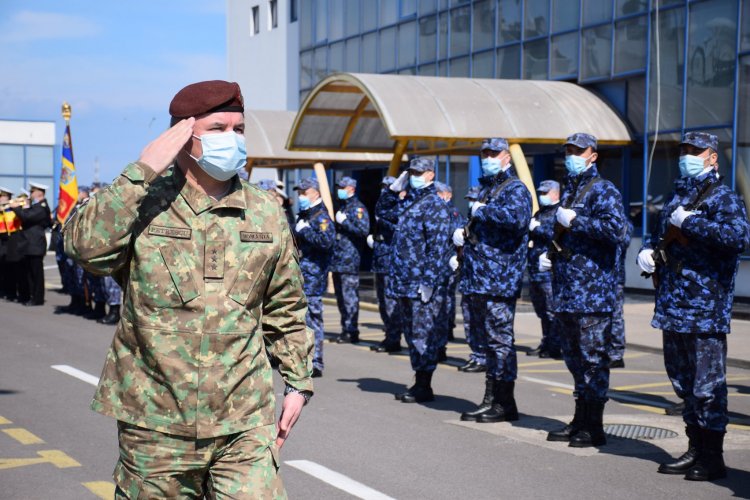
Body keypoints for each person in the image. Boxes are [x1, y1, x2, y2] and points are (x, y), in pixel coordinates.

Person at [64, 80, 313, 498]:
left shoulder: (265, 212)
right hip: (156, 421)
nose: (232, 140)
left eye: (238, 130)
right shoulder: (141, 202)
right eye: (218, 129)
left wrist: (298, 382)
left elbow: (284, 303)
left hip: (243, 418)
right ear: (182, 134)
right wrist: (142, 171)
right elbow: (84, 248)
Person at [637, 132, 749, 481]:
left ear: (713, 157)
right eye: (684, 151)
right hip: (673, 304)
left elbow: (738, 237)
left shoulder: (723, 197)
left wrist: (691, 222)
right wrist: (649, 252)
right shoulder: (678, 194)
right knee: (683, 383)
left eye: (695, 151)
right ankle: (695, 447)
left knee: (707, 386)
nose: (688, 156)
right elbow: (661, 235)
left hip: (704, 307)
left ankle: (712, 456)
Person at [541, 133, 626, 447]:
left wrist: (577, 221)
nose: (572, 156)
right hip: (566, 290)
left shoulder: (603, 189)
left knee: (592, 360)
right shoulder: (570, 190)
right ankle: (579, 418)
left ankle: (594, 425)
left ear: (594, 155)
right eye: (569, 151)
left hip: (591, 292)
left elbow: (617, 230)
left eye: (579, 151)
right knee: (574, 359)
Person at [454, 138, 531, 423]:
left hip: (499, 278)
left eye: (493, 154)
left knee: (500, 342)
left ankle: (504, 402)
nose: (488, 158)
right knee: (487, 342)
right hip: (479, 277)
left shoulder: (514, 188)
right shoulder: (489, 189)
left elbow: (516, 219)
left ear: (506, 157)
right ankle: (490, 398)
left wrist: (481, 211)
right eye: (484, 154)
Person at [381, 157, 451, 403]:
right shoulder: (410, 202)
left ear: (431, 174)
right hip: (404, 281)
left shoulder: (434, 205)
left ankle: (424, 384)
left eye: (419, 172)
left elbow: (438, 247)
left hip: (421, 282)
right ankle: (419, 381)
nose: (414, 176)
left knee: (422, 333)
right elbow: (383, 213)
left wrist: (429, 281)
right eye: (412, 172)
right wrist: (392, 190)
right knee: (411, 333)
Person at [293, 177, 335, 378]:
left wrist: (306, 231)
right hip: (302, 274)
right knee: (302, 319)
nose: (301, 196)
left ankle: (316, 361)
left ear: (315, 193)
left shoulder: (321, 217)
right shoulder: (306, 214)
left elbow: (326, 242)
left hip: (314, 275)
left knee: (313, 319)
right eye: (299, 192)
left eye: (304, 192)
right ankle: (304, 358)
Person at [331, 176, 370, 344]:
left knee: (349, 297)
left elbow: (363, 230)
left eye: (342, 187)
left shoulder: (357, 208)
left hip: (349, 259)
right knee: (341, 298)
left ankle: (352, 330)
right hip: (337, 259)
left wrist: (345, 222)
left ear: (351, 189)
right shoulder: (343, 206)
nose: (339, 189)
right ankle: (345, 328)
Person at [526, 180, 562, 359]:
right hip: (535, 270)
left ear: (556, 194)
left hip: (549, 271)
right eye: (541, 193)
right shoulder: (540, 213)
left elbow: (556, 236)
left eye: (545, 193)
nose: (542, 196)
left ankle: (555, 345)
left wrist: (537, 229)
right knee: (541, 311)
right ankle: (546, 342)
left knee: (551, 310)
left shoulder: (559, 213)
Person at [368, 175, 402, 353]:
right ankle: (389, 335)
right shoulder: (381, 210)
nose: (384, 190)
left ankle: (393, 338)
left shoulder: (397, 208)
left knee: (390, 302)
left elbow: (398, 230)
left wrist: (383, 222)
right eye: (383, 187)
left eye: (387, 187)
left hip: (390, 260)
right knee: (382, 302)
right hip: (380, 259)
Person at [435, 181, 464, 362]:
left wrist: (456, 257)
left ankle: (442, 342)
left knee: (444, 303)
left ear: (448, 195)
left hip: (447, 266)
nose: (437, 196)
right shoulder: (432, 213)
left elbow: (459, 239)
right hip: (433, 268)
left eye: (440, 193)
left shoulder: (454, 214)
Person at [13, 183, 51, 306]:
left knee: (37, 274)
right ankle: (31, 296)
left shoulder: (42, 207)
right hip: (29, 244)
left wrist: (16, 208)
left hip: (35, 244)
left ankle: (38, 298)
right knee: (30, 273)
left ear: (39, 193)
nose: (31, 193)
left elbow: (26, 217)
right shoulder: (36, 206)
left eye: (32, 191)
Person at [609, 220, 633, 368]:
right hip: (599, 279)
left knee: (615, 316)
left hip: (615, 278)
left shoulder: (624, 224)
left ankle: (616, 354)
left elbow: (622, 242)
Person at [0, 186, 13, 299]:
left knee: (8, 268)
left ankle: (9, 290)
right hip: (1, 240)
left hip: (9, 241)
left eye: (2, 196)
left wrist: (5, 209)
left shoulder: (11, 209)